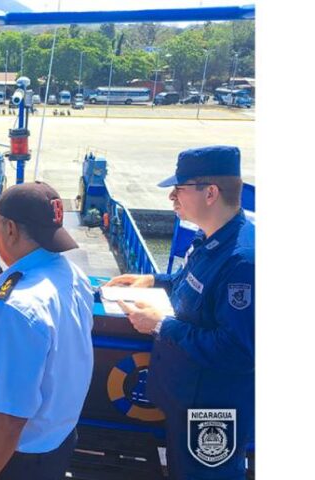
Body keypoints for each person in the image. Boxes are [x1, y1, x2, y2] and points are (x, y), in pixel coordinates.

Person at [106, 146, 254, 480]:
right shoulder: (213, 240)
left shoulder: (243, 261)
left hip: (212, 412)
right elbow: (195, 285)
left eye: (180, 188)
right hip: (187, 398)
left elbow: (239, 350)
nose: (172, 196)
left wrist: (161, 326)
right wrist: (155, 280)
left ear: (211, 193)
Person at [0, 182, 95, 480]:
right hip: (59, 435)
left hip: (21, 455)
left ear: (10, 229)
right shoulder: (69, 274)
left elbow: (9, 417)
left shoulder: (17, 311)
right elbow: (16, 300)